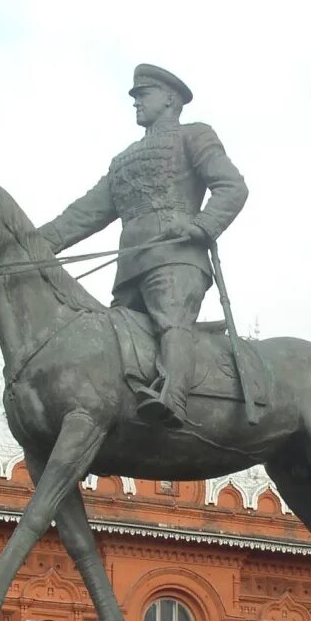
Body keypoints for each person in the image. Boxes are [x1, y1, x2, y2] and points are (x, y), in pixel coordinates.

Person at [37, 64, 248, 427]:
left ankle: (174, 398)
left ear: (170, 99)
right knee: (113, 342)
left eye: (143, 95)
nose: (135, 103)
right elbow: (83, 214)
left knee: (171, 322)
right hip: (131, 268)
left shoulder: (194, 136)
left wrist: (202, 226)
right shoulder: (123, 162)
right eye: (135, 97)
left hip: (176, 259)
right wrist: (30, 246)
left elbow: (232, 186)